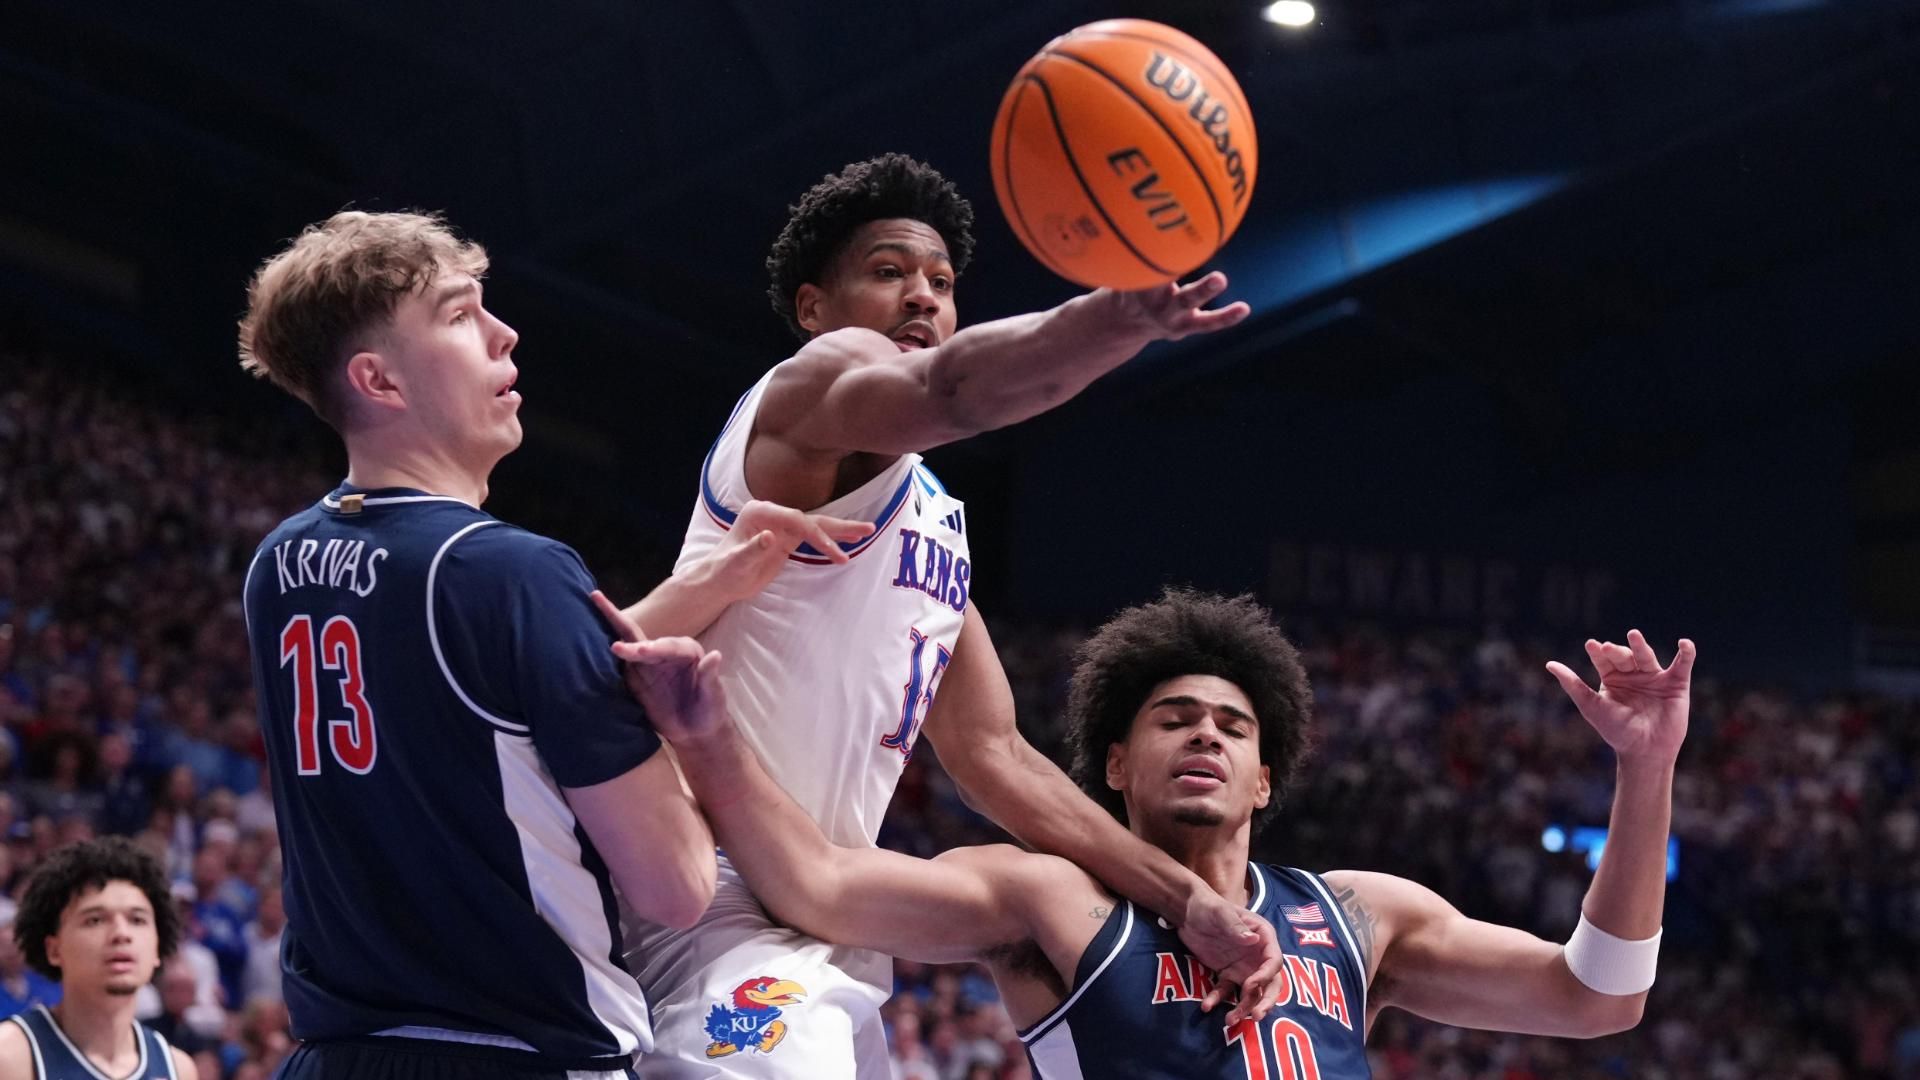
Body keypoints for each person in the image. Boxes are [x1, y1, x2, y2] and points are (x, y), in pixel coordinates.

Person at [616, 153, 1275, 1079]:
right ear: (814, 307)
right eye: (889, 272)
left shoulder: (934, 524)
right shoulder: (806, 394)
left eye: (941, 281)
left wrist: (1186, 899)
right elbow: (952, 391)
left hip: (826, 901)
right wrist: (1113, 318)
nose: (922, 296)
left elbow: (993, 757)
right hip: (703, 878)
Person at [609, 589, 1691, 1077]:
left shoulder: (1360, 916)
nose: (1205, 734)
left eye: (1233, 726)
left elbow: (1598, 997)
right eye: (1173, 719)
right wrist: (705, 735)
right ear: (1117, 765)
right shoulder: (1049, 896)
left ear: (1266, 779)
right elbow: (814, 885)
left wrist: (1646, 770)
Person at [234, 210, 827, 1078]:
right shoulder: (512, 574)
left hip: (335, 1058)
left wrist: (713, 583)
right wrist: (693, 741)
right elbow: (675, 886)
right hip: (518, 1055)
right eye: (459, 314)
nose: (504, 332)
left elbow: (498, 679)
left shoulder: (280, 566)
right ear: (380, 379)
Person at [0, 837, 197, 1079]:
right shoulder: (10, 1057)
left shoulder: (177, 1068)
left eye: (137, 920)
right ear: (54, 949)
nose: (121, 933)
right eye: (95, 920)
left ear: (157, 947)